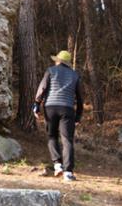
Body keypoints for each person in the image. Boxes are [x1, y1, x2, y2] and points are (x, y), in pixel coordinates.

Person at [32, 50, 84, 182]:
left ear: (58, 61)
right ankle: (68, 172)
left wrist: (36, 105)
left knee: (52, 136)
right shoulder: (74, 75)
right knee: (67, 140)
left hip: (50, 107)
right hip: (67, 109)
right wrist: (78, 117)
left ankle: (57, 165)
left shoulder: (50, 70)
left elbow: (42, 88)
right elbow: (80, 98)